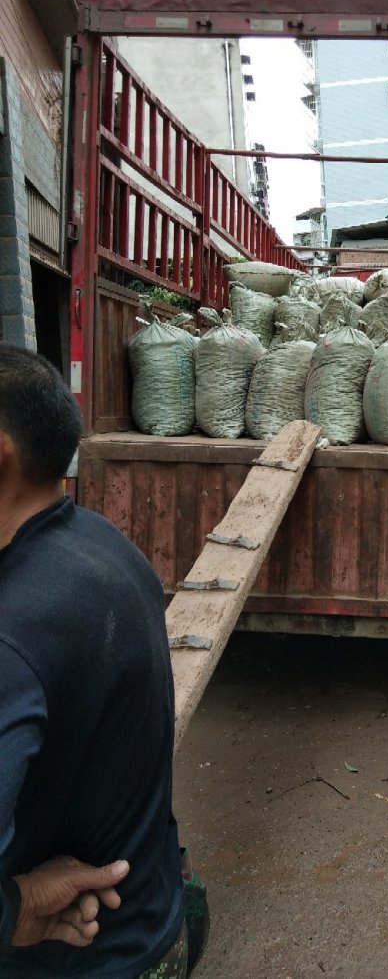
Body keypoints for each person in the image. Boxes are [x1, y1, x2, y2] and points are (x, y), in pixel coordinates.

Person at [0, 343, 205, 977]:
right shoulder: (104, 544)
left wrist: (17, 906)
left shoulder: (13, 634)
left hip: (86, 959)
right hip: (157, 920)